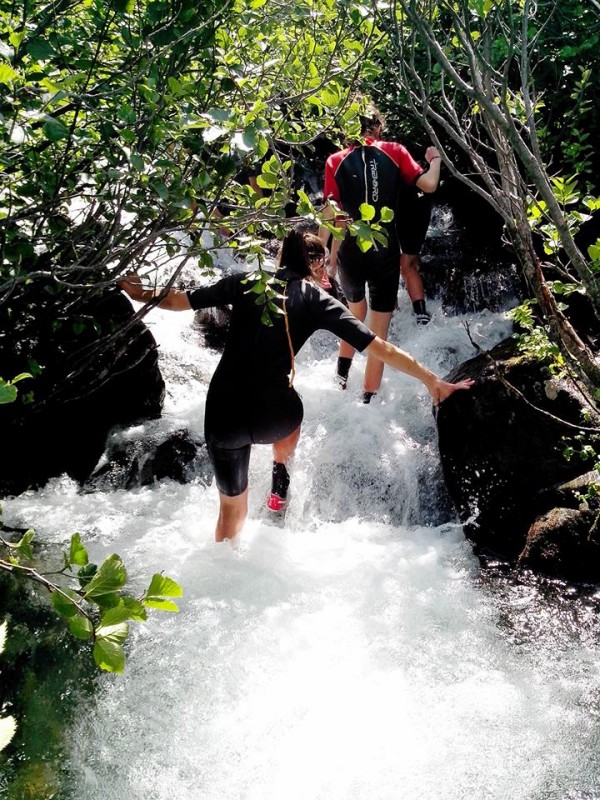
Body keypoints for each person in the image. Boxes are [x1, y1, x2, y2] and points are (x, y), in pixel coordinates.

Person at [118, 229, 471, 543]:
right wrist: (431, 380)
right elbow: (380, 347)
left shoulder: (245, 281)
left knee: (230, 512)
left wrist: (137, 291)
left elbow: (178, 300)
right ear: (316, 264)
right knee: (294, 407)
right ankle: (280, 481)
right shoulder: (318, 301)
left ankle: (224, 562)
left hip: (223, 412)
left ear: (279, 258)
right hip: (275, 415)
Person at [320, 104, 442, 402]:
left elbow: (330, 215)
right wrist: (435, 159)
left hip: (350, 250)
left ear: (346, 129)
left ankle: (341, 376)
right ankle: (368, 398)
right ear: (377, 126)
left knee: (353, 312)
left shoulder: (335, 160)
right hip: (383, 248)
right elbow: (428, 184)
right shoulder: (395, 151)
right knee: (378, 332)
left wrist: (324, 256)